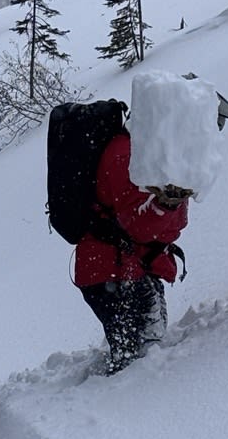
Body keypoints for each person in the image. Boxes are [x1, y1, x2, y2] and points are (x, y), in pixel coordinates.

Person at [73, 128, 192, 374]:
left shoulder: (152, 153)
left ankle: (113, 390)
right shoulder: (126, 155)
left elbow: (166, 226)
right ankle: (113, 397)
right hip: (114, 271)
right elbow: (138, 227)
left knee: (140, 354)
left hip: (130, 268)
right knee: (139, 362)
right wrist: (166, 204)